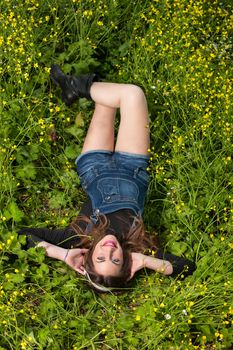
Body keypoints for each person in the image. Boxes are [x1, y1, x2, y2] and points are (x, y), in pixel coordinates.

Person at [18, 65, 196, 292]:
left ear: (88, 257)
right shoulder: (138, 248)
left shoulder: (75, 238)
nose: (109, 251)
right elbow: (186, 267)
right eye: (116, 260)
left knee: (108, 101)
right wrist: (144, 261)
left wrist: (62, 255)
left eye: (100, 259)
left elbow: (21, 236)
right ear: (126, 263)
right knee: (131, 94)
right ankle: (76, 86)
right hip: (133, 165)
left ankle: (76, 86)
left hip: (94, 165)